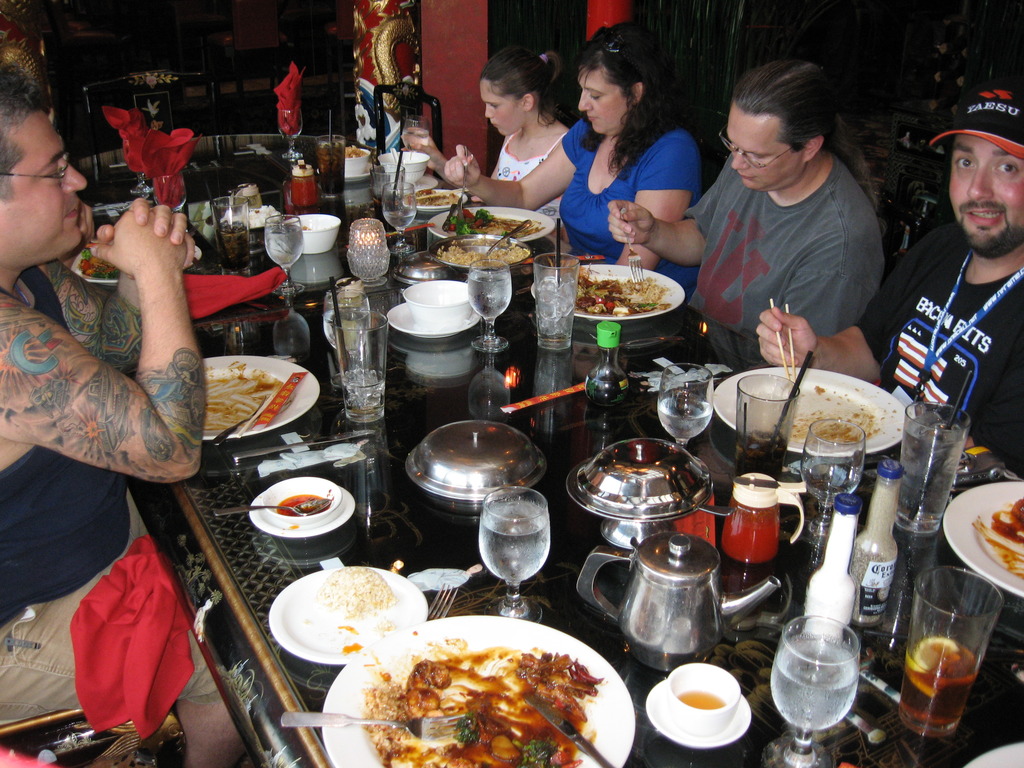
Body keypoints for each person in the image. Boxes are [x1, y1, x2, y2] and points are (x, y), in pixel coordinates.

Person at [0, 69, 243, 767]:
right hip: (25, 617)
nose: (78, 181)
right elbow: (171, 450)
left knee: (234, 561)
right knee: (237, 664)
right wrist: (163, 278)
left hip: (86, 548)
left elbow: (114, 339)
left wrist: (141, 273)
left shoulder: (29, 276)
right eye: (55, 171)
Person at [757, 76, 1024, 475]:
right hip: (861, 463)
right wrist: (813, 352)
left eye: (1007, 167)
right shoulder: (942, 246)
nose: (976, 190)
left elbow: (994, 466)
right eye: (966, 162)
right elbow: (869, 347)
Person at [608, 60, 883, 370]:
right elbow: (704, 238)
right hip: (696, 349)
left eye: (755, 156)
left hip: (752, 379)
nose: (737, 163)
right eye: (732, 145)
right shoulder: (749, 164)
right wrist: (653, 232)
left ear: (809, 147)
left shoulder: (842, 238)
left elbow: (801, 368)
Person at [443, 23, 702, 295]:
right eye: (582, 91)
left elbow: (632, 274)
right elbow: (524, 195)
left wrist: (556, 292)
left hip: (634, 302)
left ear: (636, 94)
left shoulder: (672, 151)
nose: (582, 105)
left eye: (595, 95)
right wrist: (475, 181)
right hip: (575, 281)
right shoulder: (588, 131)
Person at [407, 46, 569, 190]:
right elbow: (492, 194)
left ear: (526, 102)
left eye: (494, 105)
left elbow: (519, 198)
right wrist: (438, 162)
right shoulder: (513, 136)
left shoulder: (565, 145)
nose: (487, 113)